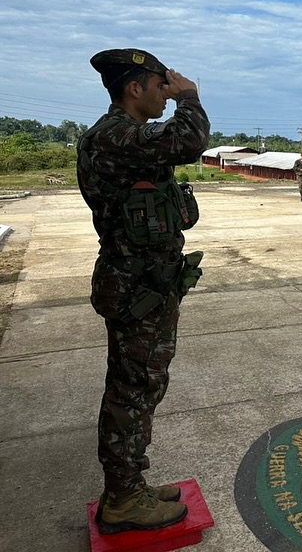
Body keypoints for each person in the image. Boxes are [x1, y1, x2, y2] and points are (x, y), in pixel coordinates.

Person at [77, 48, 209, 533]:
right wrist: (189, 96)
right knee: (131, 391)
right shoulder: (115, 135)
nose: (166, 96)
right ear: (135, 88)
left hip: (143, 283)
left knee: (139, 386)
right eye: (159, 87)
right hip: (137, 289)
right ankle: (123, 499)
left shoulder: (125, 137)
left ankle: (130, 484)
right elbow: (188, 140)